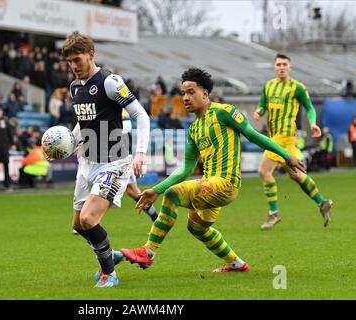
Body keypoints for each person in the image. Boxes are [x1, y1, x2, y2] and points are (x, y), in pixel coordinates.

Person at [120, 68, 306, 273]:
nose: (185, 98)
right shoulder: (193, 129)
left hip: (226, 183)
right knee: (196, 227)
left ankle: (148, 252)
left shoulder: (224, 112)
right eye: (183, 93)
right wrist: (156, 189)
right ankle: (237, 264)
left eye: (191, 92)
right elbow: (186, 168)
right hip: (211, 186)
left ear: (205, 94)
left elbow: (254, 136)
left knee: (173, 194)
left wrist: (287, 155)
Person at [60, 31, 150, 288]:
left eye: (77, 60)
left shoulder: (110, 82)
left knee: (89, 219)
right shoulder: (75, 87)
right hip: (87, 161)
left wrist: (140, 153)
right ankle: (110, 256)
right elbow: (84, 121)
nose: (74, 66)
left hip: (114, 160)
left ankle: (109, 273)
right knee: (78, 226)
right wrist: (69, 142)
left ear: (91, 55)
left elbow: (141, 116)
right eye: (69, 62)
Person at [253, 53, 333, 230]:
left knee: (263, 171)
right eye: (279, 64)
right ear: (274, 67)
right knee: (295, 175)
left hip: (285, 136)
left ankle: (273, 213)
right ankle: (322, 202)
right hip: (275, 136)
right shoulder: (269, 86)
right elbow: (262, 104)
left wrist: (312, 123)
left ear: (290, 67)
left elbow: (310, 107)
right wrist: (259, 112)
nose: (282, 67)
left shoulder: (297, 87)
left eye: (285, 64)